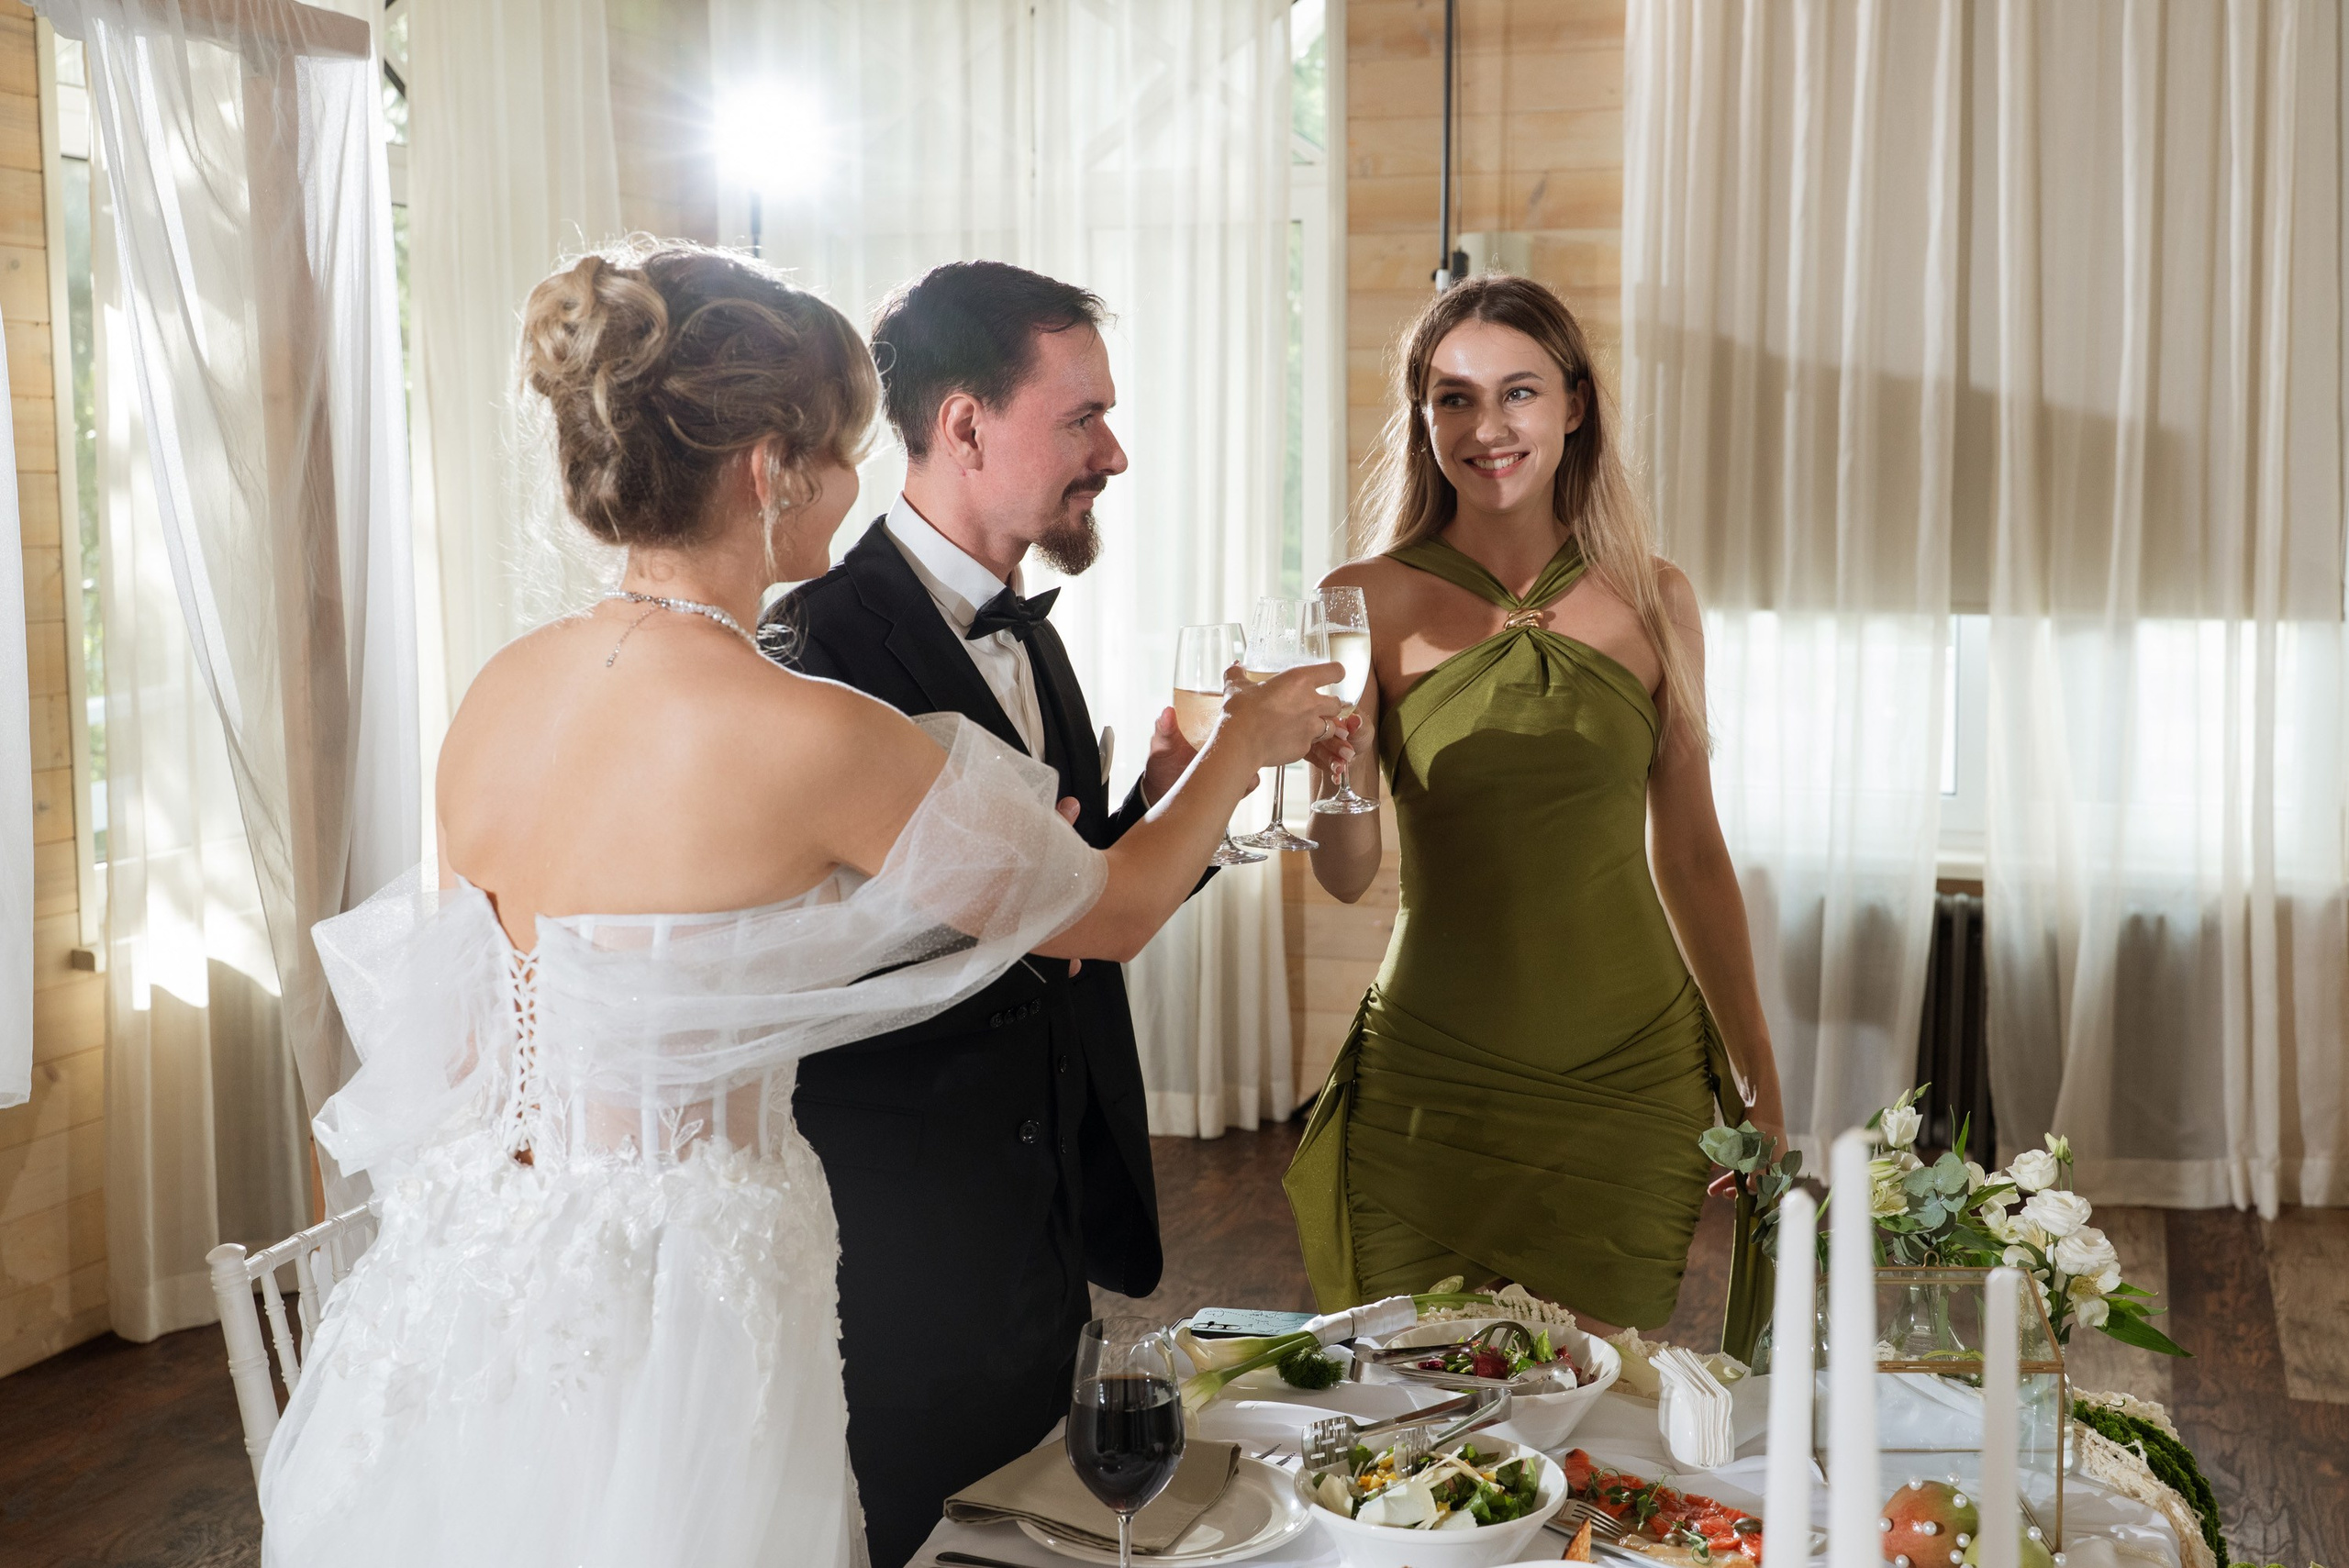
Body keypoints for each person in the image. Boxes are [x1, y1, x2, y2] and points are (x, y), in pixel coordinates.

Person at [255, 240, 1340, 1568]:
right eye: (836, 451)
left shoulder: (497, 696)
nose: (855, 479)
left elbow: (483, 1044)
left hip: (490, 1277)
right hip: (701, 1297)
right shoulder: (805, 730)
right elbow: (1104, 914)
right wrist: (1239, 750)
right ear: (769, 472)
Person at [762, 261, 1211, 1568]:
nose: (1113, 453)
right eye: (1083, 419)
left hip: (1040, 1230)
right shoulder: (822, 651)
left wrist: (1159, 806)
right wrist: (1240, 753)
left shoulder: (1032, 633)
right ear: (964, 423)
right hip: (904, 1256)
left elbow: (1053, 915)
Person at [1283, 274, 1785, 1345]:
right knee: (1414, 1411)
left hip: (1630, 1074)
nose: (1487, 426)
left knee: (1596, 1417)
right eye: (1452, 397)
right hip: (1432, 1073)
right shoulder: (1362, 598)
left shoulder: (1656, 597)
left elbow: (1691, 851)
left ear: (1574, 405)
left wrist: (1758, 1071)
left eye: (1517, 392)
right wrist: (1342, 768)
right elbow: (1342, 870)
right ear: (1421, 420)